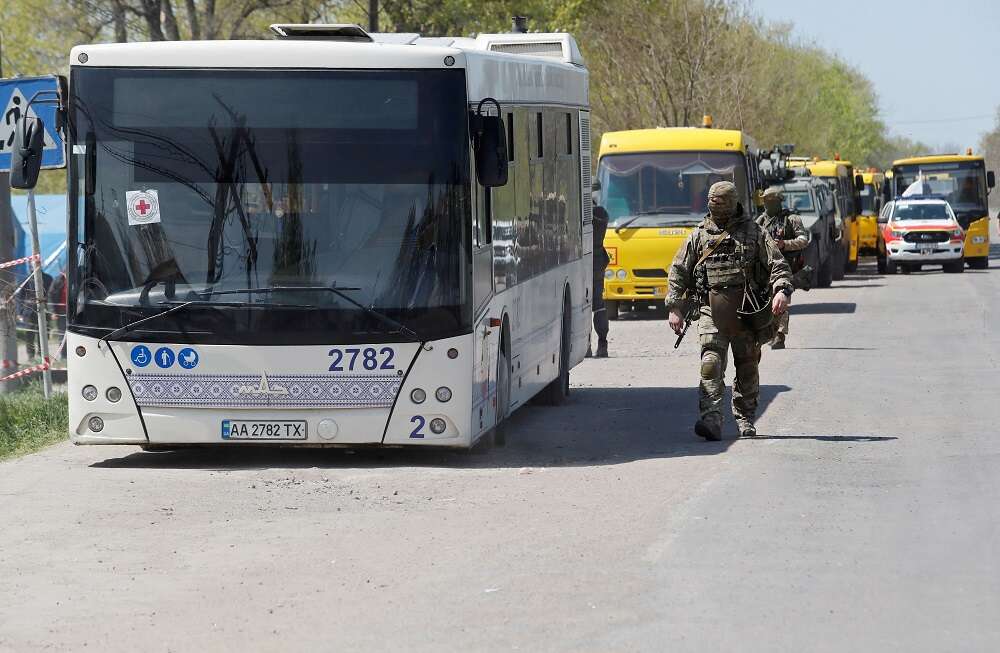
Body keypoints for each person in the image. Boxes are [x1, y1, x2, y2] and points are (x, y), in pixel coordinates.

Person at [666, 181, 793, 440]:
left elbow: (778, 265)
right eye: (713, 202)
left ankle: (745, 418)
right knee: (710, 363)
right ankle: (711, 419)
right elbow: (679, 270)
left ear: (733, 203)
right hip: (710, 309)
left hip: (747, 310)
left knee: (747, 366)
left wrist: (781, 290)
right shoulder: (699, 235)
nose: (716, 207)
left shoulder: (755, 232)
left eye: (721, 202)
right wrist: (674, 307)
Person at [756, 187, 808, 350]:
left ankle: (780, 335)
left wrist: (784, 244)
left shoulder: (791, 219)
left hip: (785, 267)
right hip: (764, 267)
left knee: (781, 299)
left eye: (771, 201)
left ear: (778, 201)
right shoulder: (761, 221)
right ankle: (769, 332)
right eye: (765, 201)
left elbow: (803, 240)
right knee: (765, 301)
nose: (767, 204)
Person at [588, 192, 612, 358]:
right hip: (598, 263)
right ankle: (602, 343)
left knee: (582, 306)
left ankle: (586, 345)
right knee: (599, 305)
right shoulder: (601, 214)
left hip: (586, 262)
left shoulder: (589, 216)